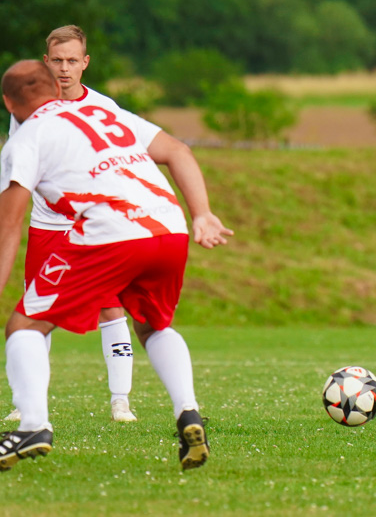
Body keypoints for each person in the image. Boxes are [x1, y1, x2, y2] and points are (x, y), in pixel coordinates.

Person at [0, 59, 232, 471]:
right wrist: (202, 213)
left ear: (7, 103)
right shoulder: (104, 112)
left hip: (110, 229)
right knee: (153, 325)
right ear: (56, 87)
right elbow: (177, 150)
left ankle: (33, 425)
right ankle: (189, 413)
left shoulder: (25, 138)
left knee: (24, 326)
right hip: (169, 225)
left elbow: (9, 225)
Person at [6, 25, 159, 423]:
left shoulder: (105, 107)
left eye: (72, 60)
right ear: (46, 62)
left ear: (85, 62)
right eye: (57, 60)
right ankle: (26, 404)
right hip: (46, 227)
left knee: (111, 310)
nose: (64, 68)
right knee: (35, 311)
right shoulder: (29, 109)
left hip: (96, 226)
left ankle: (120, 400)